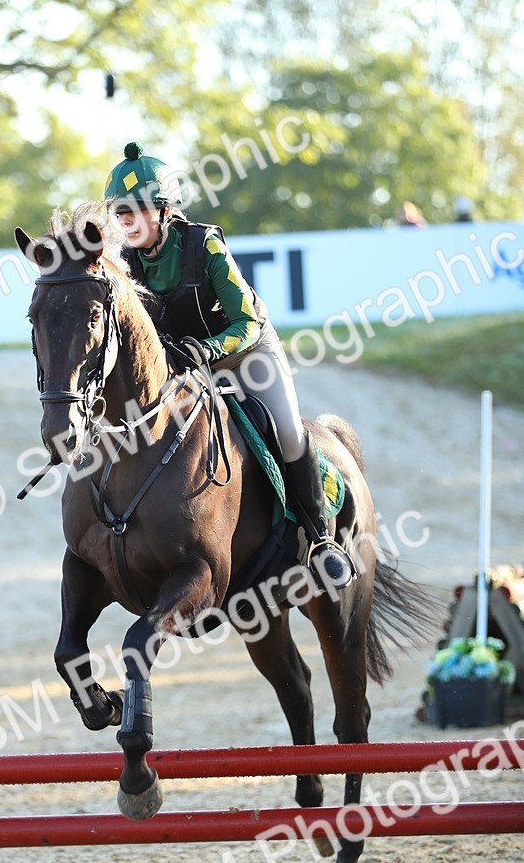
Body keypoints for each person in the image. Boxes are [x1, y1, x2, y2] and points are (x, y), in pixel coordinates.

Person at [103, 141, 354, 589]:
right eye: (120, 212)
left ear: (164, 211)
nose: (125, 220)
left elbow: (247, 322)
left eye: (135, 210)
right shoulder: (128, 264)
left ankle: (320, 538)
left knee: (287, 433)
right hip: (187, 366)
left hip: (248, 353)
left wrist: (207, 351)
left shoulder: (205, 246)